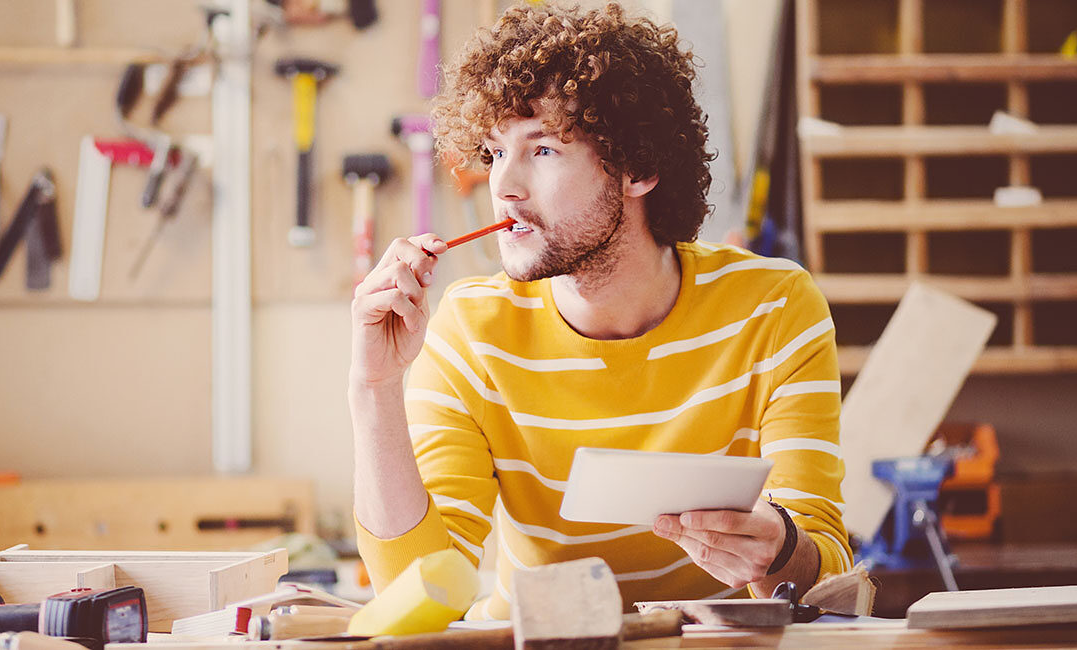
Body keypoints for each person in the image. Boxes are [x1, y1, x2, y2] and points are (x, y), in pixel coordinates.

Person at [348, 2, 848, 620]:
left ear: (638, 166)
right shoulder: (471, 331)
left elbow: (822, 565)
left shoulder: (774, 306)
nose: (502, 185)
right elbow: (417, 595)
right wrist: (374, 387)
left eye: (544, 150)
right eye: (494, 150)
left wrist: (779, 553)